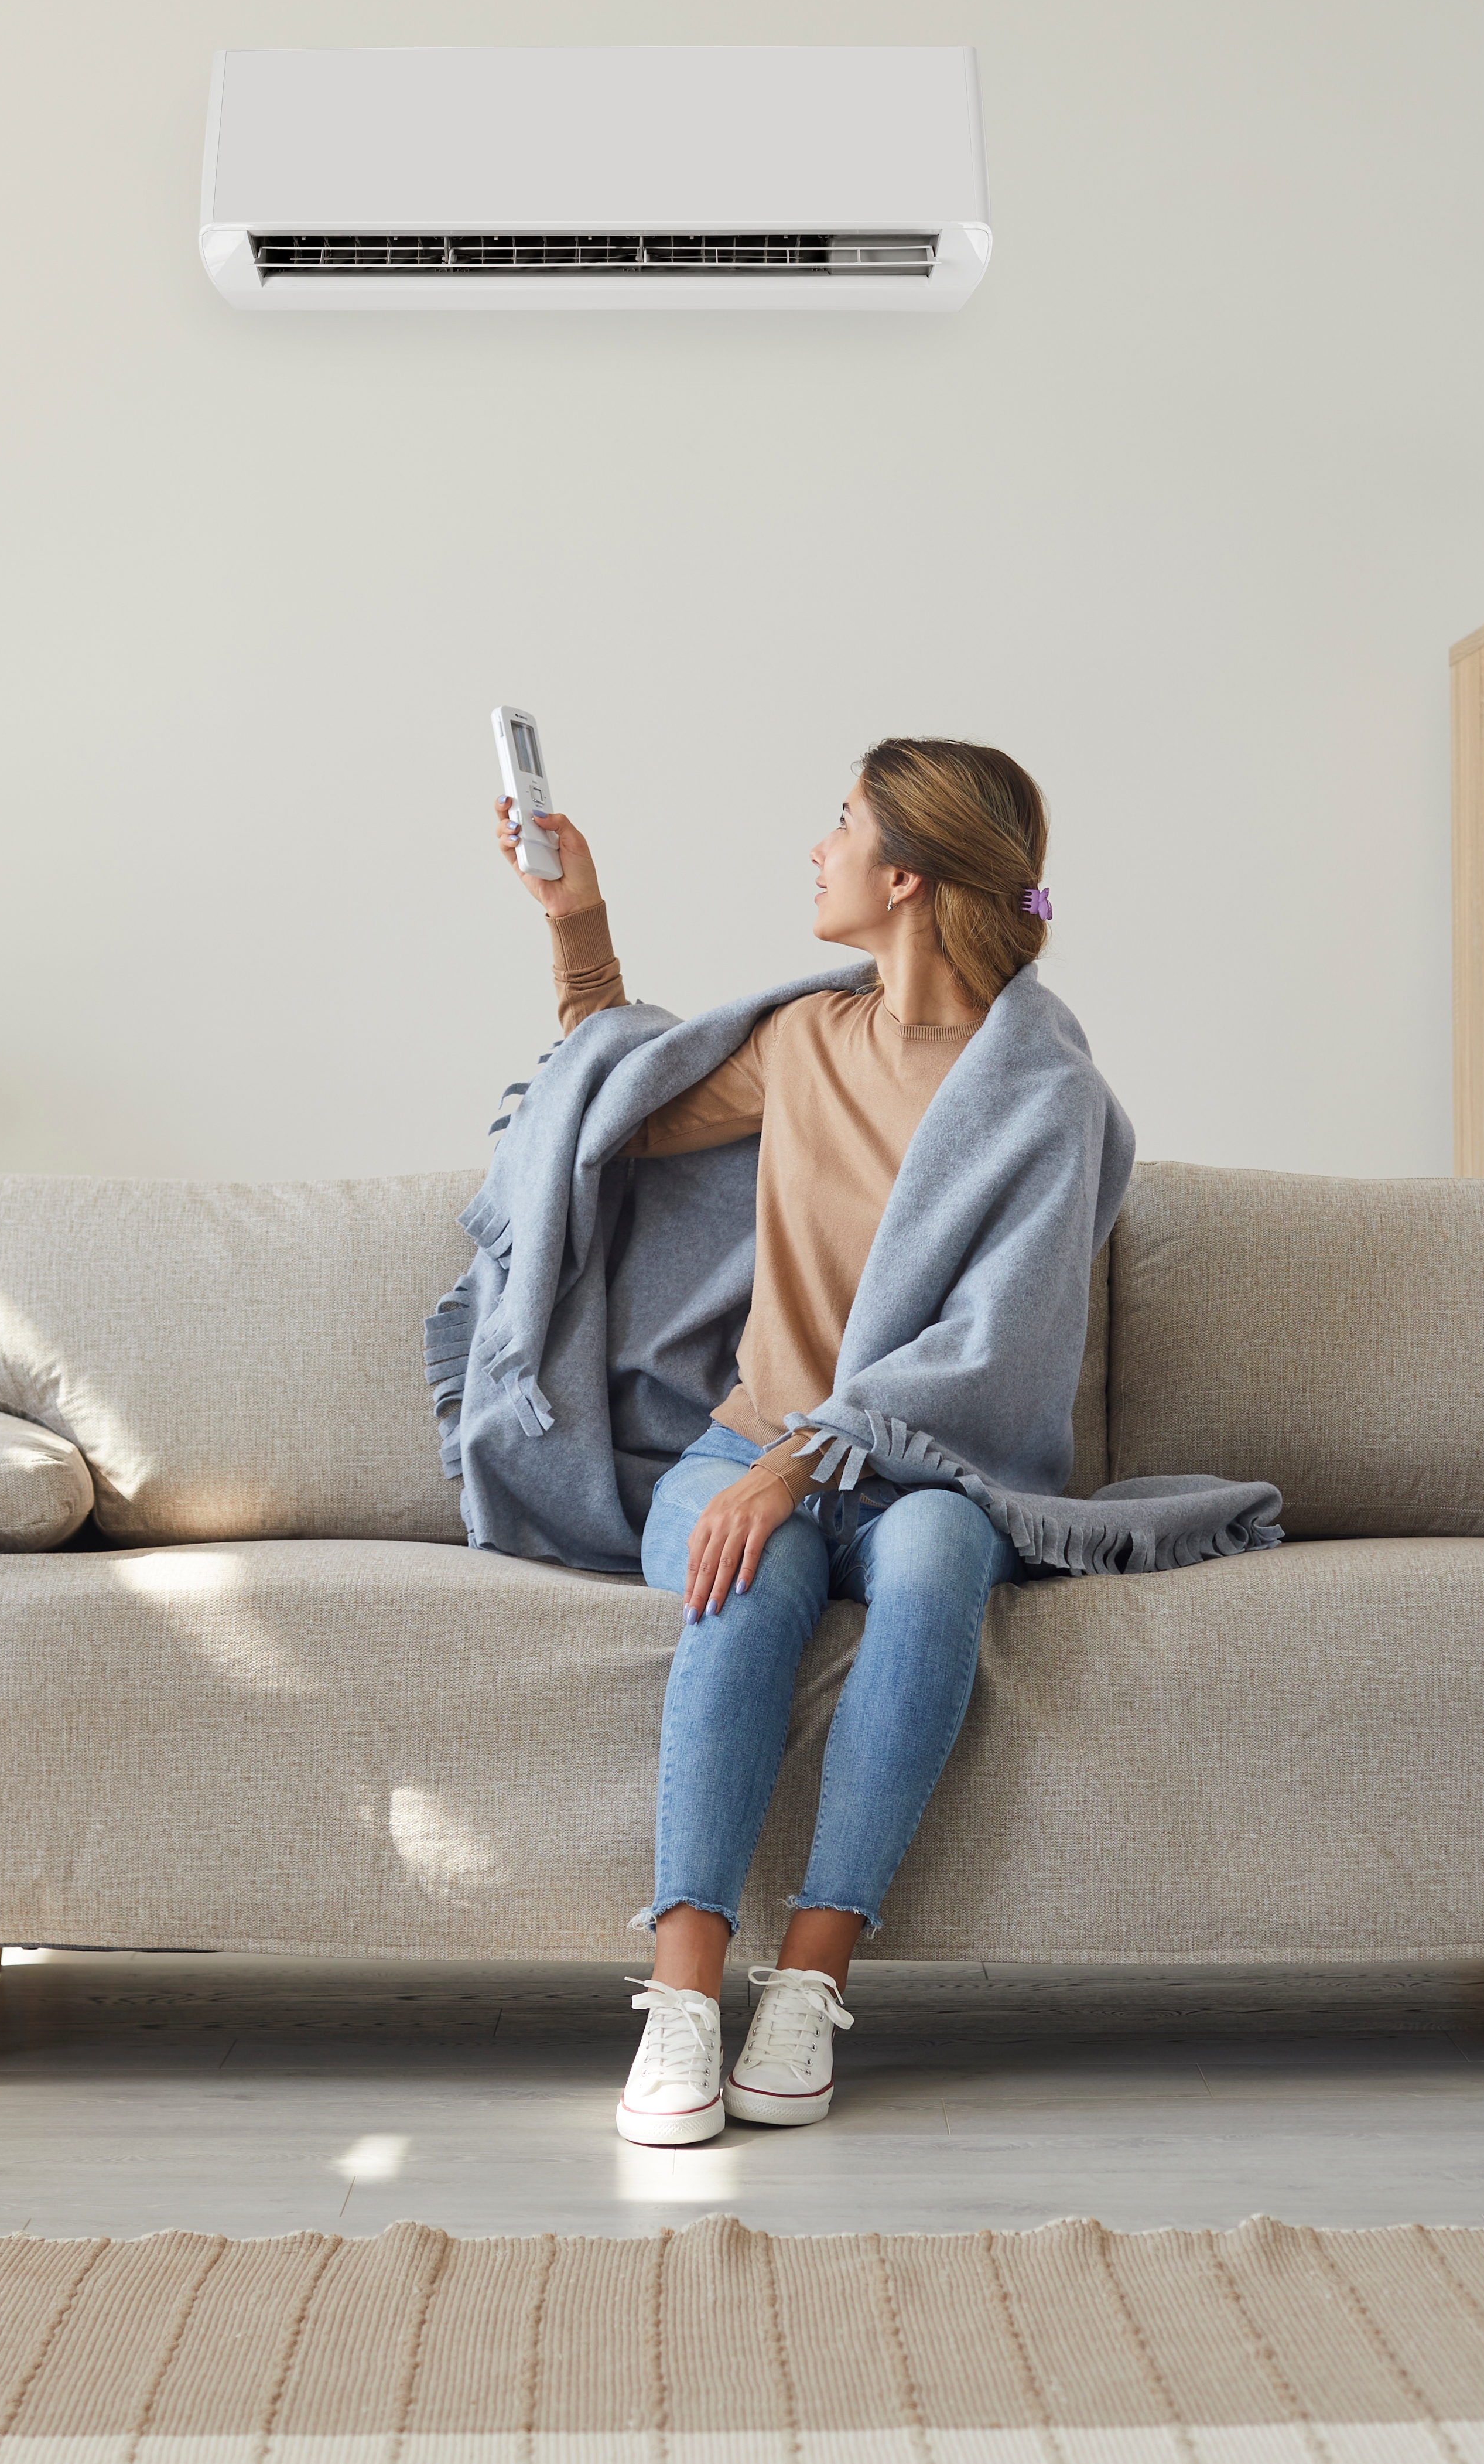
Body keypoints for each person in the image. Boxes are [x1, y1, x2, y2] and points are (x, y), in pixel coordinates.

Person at [490, 739, 1066, 2148]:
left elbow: (995, 1348)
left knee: (934, 1560)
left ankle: (811, 1978)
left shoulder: (1041, 1091)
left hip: (929, 1468)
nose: (816, 850)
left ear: (905, 878)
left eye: (840, 825)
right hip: (738, 1450)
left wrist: (801, 1464)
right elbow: (608, 1114)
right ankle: (682, 1990)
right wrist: (576, 924)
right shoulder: (808, 1042)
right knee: (746, 1574)